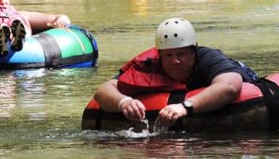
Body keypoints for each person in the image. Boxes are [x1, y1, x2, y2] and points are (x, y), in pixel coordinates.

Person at [93, 17, 258, 128]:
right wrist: (124, 102)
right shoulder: (149, 64)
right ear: (160, 56)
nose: (175, 61)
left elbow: (229, 87)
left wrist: (185, 107)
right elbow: (103, 90)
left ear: (193, 52)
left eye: (181, 54)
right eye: (168, 55)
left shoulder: (209, 58)